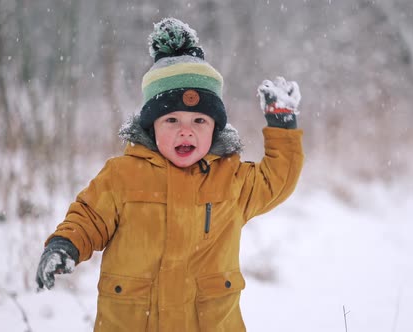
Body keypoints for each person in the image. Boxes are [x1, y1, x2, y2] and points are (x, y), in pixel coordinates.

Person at [35, 17, 303, 331]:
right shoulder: (123, 175)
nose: (185, 131)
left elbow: (277, 179)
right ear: (152, 126)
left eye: (199, 121)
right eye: (172, 120)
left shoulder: (231, 180)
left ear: (215, 127)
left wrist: (282, 126)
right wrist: (64, 244)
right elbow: (89, 217)